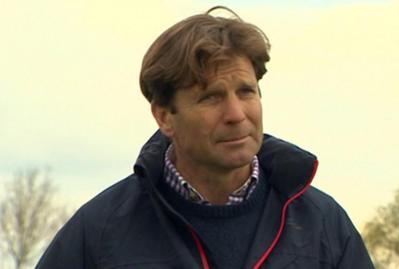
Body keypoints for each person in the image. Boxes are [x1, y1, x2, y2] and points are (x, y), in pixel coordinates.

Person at [36, 6, 374, 269]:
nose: (236, 114)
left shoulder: (323, 225)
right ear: (164, 116)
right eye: (211, 97)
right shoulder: (100, 232)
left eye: (246, 92)